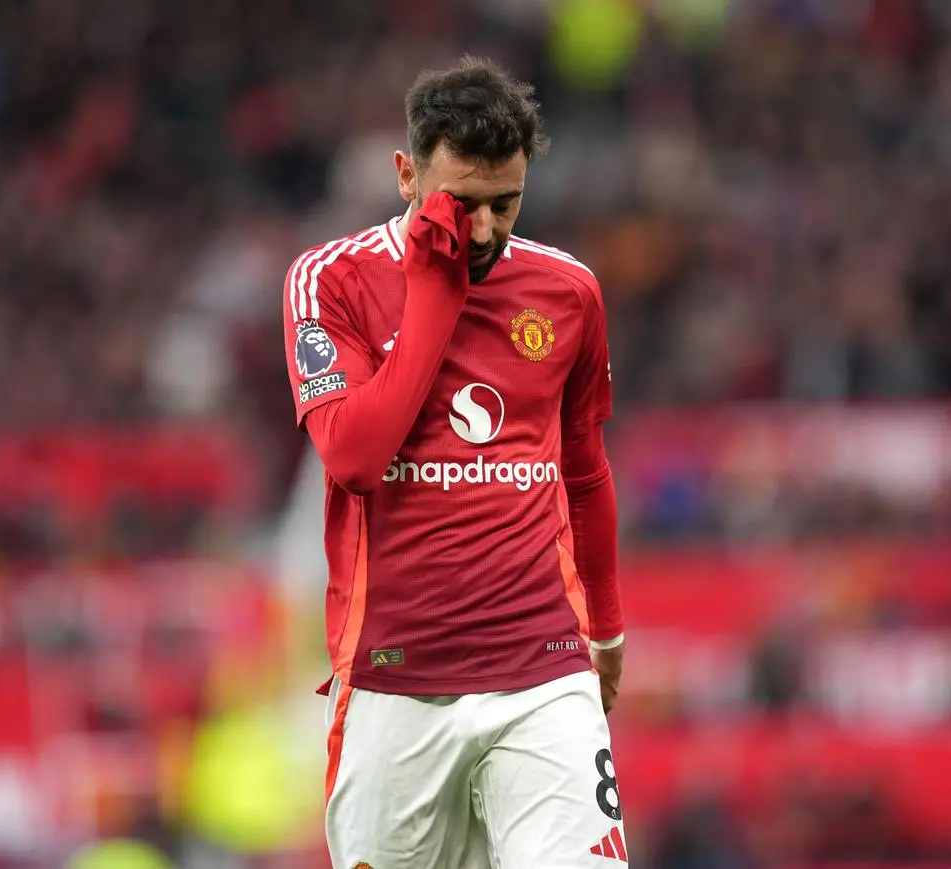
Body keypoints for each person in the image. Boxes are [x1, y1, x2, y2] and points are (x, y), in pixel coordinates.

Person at [282, 56, 627, 867]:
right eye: (460, 203)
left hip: (541, 666)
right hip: (395, 675)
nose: (480, 230)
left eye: (504, 204)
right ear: (406, 174)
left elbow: (584, 470)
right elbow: (356, 456)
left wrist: (605, 629)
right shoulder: (330, 281)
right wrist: (435, 292)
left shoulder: (567, 291)